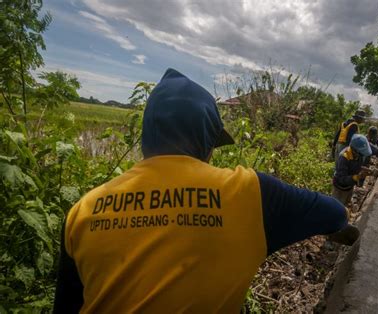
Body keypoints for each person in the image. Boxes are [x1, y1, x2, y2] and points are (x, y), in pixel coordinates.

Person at [53, 69, 359, 313]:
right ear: (206, 143)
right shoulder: (250, 193)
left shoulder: (82, 210)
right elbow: (334, 213)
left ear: (147, 135)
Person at [332, 134, 373, 206]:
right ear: (354, 150)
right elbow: (341, 178)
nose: (362, 156)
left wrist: (361, 169)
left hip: (349, 186)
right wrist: (357, 177)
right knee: (336, 208)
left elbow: (355, 167)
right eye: (361, 154)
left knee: (345, 205)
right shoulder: (344, 157)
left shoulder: (358, 155)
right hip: (339, 188)